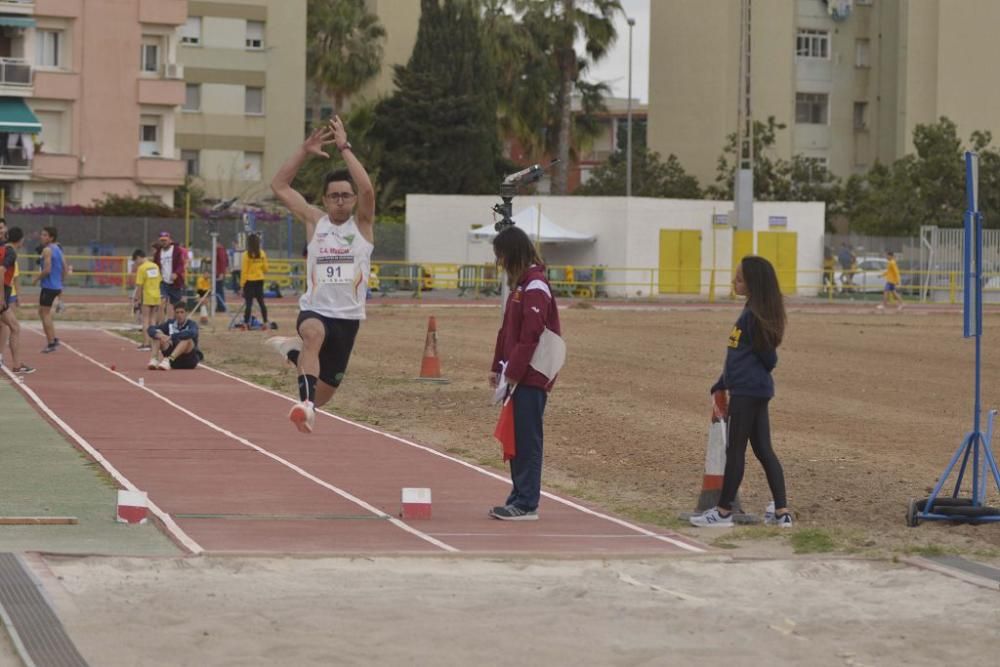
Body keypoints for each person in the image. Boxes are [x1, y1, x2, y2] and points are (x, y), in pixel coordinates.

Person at [267, 116, 375, 433]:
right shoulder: (315, 221)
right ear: (325, 199)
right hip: (315, 310)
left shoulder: (363, 226)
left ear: (353, 200)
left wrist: (344, 147)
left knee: (325, 393)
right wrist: (303, 150)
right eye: (334, 196)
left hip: (348, 317)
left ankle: (295, 355)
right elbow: (279, 186)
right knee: (313, 335)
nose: (340, 200)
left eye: (346, 195)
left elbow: (367, 187)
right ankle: (305, 406)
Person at [691, 255, 792, 528]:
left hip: (749, 392)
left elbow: (768, 357)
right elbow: (739, 355)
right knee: (763, 449)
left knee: (735, 450)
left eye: (739, 278)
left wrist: (740, 380)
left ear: (752, 283)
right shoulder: (750, 311)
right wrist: (722, 381)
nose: (734, 282)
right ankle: (781, 512)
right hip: (750, 388)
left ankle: (723, 512)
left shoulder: (754, 316)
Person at [488, 226, 563, 521]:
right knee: (515, 437)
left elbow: (531, 335)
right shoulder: (520, 286)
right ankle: (519, 495)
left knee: (527, 439)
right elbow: (506, 330)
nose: (500, 263)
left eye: (502, 256)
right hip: (517, 375)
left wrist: (515, 373)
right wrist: (497, 366)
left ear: (513, 253)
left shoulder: (535, 286)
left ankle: (528, 502)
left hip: (531, 377)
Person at [0, 225, 34, 374]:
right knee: (15, 327)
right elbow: (1, 271)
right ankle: (16, 365)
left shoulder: (3, 248)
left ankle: (17, 364)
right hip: (1, 295)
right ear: (20, 240)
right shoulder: (11, 252)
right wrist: (1, 297)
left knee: (14, 327)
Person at [33, 226, 64, 353]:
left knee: (45, 314)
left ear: (51, 238)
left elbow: (47, 270)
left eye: (45, 235)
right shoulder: (58, 248)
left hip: (49, 287)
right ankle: (53, 338)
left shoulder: (47, 250)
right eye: (42, 234)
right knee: (42, 312)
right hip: (55, 286)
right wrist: (61, 283)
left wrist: (36, 279)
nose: (42, 236)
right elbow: (65, 267)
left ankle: (51, 343)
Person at [146, 302, 203, 371]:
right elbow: (151, 329)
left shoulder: (192, 324)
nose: (179, 315)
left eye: (182, 312)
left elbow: (192, 333)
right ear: (174, 313)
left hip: (188, 361)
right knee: (157, 333)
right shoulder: (170, 323)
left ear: (186, 313)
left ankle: (169, 360)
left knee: (187, 339)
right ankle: (154, 359)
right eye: (177, 312)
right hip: (174, 362)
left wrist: (172, 337)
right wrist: (159, 335)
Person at [132, 249, 162, 351]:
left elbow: (139, 285)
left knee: (145, 320)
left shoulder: (142, 268)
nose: (136, 263)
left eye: (136, 261)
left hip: (147, 295)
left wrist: (137, 298)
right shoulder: (155, 266)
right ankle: (153, 343)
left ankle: (146, 343)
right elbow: (159, 280)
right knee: (153, 320)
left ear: (139, 257)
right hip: (156, 295)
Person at [239, 233, 271, 329]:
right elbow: (266, 269)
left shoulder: (246, 255)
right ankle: (265, 322)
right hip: (259, 280)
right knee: (261, 302)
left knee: (249, 303)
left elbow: (244, 271)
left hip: (249, 281)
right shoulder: (262, 253)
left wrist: (242, 285)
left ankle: (245, 323)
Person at [154, 231, 186, 321]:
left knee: (175, 305)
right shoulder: (158, 252)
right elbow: (155, 265)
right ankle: (160, 324)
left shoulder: (176, 250)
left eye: (165, 240)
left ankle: (173, 322)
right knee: (162, 302)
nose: (163, 242)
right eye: (162, 240)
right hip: (162, 281)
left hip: (175, 282)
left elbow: (181, 264)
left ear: (169, 240)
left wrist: (176, 273)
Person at [214, 240, 228, 313]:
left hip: (219, 273)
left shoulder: (220, 250)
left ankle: (221, 306)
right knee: (218, 290)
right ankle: (220, 306)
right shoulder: (220, 250)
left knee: (219, 290)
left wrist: (221, 273)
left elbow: (223, 261)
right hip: (218, 272)